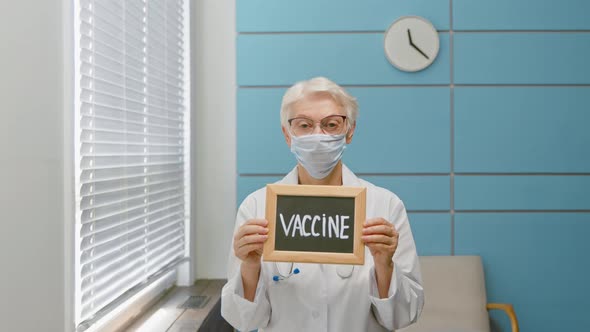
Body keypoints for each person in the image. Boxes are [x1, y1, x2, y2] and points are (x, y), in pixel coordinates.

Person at [221, 77, 424, 332]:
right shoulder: (256, 208)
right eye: (304, 125)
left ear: (349, 131)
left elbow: (403, 316)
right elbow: (244, 321)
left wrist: (385, 266)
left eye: (331, 124)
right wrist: (250, 266)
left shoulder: (385, 206)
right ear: (287, 134)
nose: (318, 136)